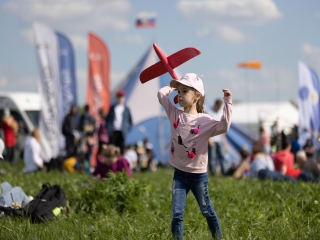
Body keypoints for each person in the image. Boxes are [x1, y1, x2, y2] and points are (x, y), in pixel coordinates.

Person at [158, 73, 232, 239]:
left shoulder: (205, 121)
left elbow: (224, 126)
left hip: (198, 176)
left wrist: (228, 102)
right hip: (179, 175)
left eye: (185, 91)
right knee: (177, 214)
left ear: (197, 96)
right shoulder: (174, 114)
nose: (180, 95)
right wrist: (172, 86)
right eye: (179, 92)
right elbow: (161, 94)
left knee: (207, 211)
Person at [106, 90, 132, 155]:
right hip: (113, 131)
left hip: (122, 132)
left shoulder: (126, 109)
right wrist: (109, 130)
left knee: (121, 150)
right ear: (117, 98)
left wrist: (127, 130)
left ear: (124, 98)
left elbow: (130, 121)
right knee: (112, 150)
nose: (120, 99)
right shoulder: (113, 108)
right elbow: (108, 120)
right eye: (119, 97)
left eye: (122, 97)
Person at [208, 99, 227, 176]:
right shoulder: (210, 112)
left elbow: (222, 127)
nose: (219, 108)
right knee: (212, 157)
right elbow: (208, 127)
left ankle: (224, 171)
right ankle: (212, 172)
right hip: (212, 139)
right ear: (215, 105)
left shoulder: (220, 114)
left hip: (219, 139)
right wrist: (209, 139)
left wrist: (224, 141)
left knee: (222, 156)